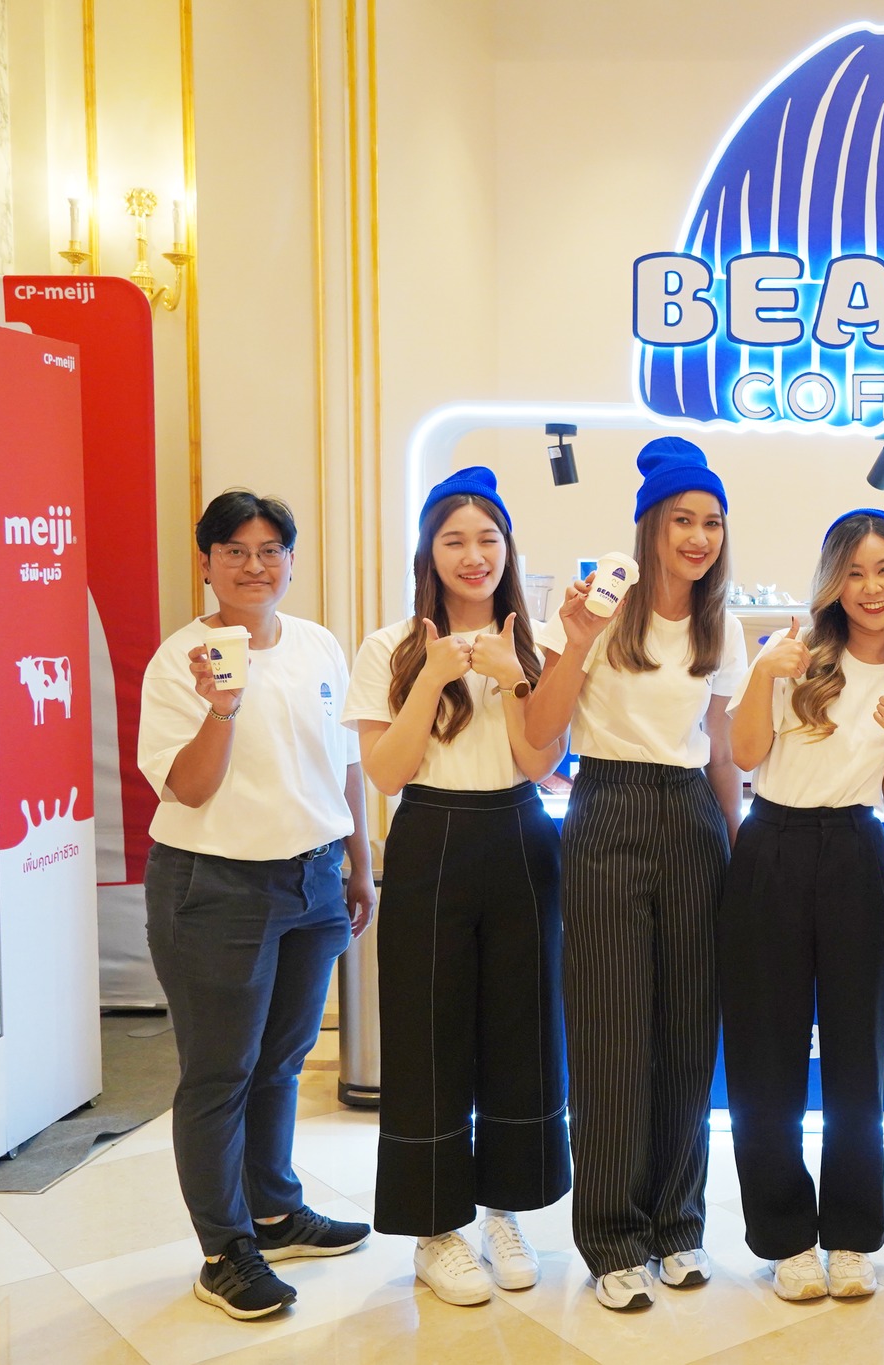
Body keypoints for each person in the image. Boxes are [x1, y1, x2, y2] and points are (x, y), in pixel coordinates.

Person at [138, 490, 376, 1320]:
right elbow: (190, 786)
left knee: (282, 1059)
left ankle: (274, 1212)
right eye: (234, 550)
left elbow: (344, 761)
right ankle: (224, 1250)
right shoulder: (180, 660)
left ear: (290, 560)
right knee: (219, 1072)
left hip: (313, 878)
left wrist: (359, 863)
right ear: (205, 561)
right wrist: (222, 706)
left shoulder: (317, 644)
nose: (254, 565)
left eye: (270, 549)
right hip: (215, 886)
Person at [523, 439, 747, 1310]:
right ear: (650, 527)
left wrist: (734, 844)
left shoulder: (719, 625)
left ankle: (677, 1223)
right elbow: (541, 732)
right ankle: (612, 1235)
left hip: (693, 816)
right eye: (683, 519)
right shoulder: (596, 610)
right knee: (612, 1033)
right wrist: (577, 643)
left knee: (690, 1033)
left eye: (712, 522)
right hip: (607, 804)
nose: (698, 537)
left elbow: (722, 751)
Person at [346, 467, 569, 1306]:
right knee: (427, 1031)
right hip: (430, 836)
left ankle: (503, 1210)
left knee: (521, 1027)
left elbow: (539, 762)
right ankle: (436, 1230)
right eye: (454, 540)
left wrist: (514, 674)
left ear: (507, 549)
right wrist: (433, 675)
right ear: (429, 553)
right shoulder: (389, 646)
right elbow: (386, 770)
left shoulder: (535, 643)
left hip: (520, 834)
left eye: (487, 539)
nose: (473, 555)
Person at [723, 509, 884, 1302]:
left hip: (855, 849)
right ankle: (785, 1236)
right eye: (854, 571)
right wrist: (761, 672)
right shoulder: (799, 656)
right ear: (832, 581)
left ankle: (850, 1235)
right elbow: (745, 754)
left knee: (858, 1060)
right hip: (772, 846)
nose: (871, 587)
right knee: (765, 1059)